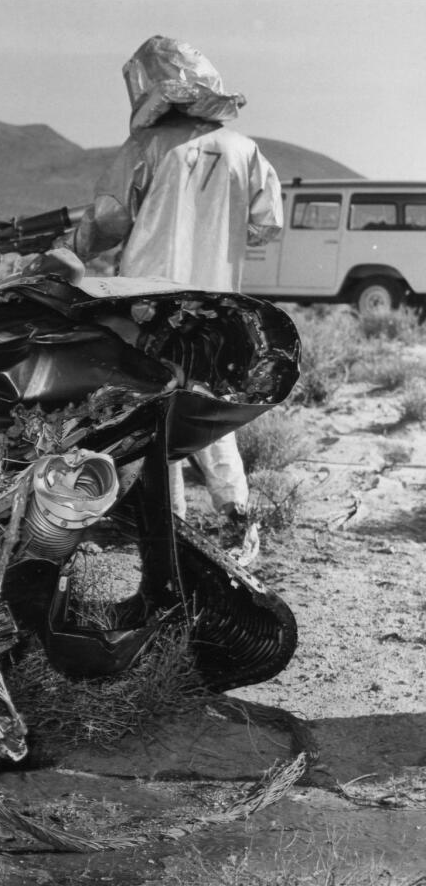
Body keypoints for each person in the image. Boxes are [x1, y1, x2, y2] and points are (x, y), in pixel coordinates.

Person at [66, 35, 283, 531]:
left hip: (146, 299)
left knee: (153, 401)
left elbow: (108, 220)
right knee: (208, 397)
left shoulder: (147, 145)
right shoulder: (245, 150)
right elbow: (267, 223)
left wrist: (67, 251)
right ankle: (235, 511)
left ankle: (170, 518)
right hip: (217, 303)